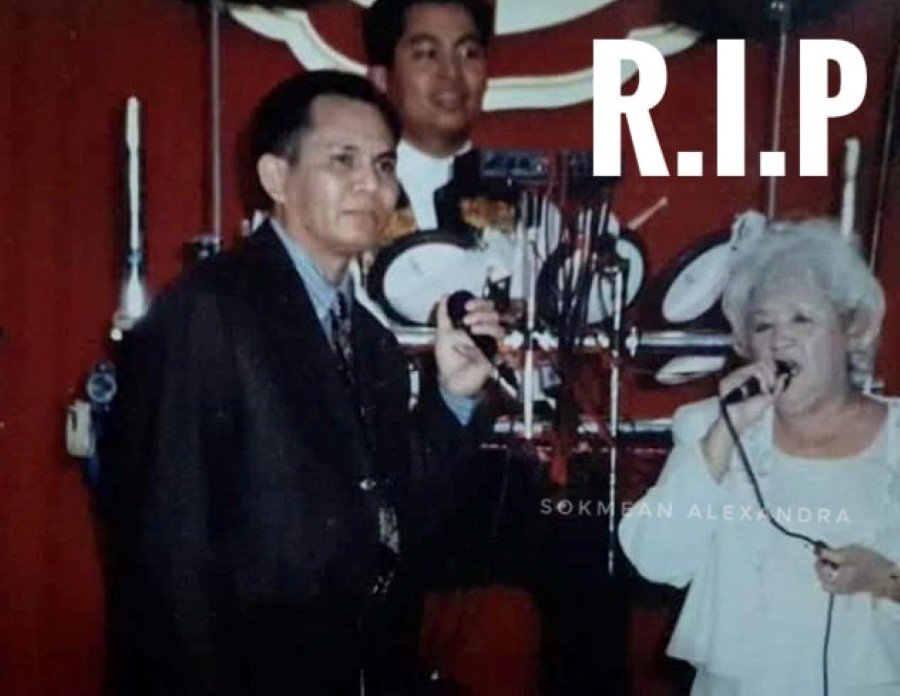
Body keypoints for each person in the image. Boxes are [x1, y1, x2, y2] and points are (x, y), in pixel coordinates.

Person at [101, 69, 505, 695]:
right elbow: (168, 554)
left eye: (384, 164)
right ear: (275, 178)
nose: (371, 184)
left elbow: (402, 524)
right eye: (343, 160)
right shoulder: (209, 312)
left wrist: (453, 395)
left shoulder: (370, 342)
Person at [619, 220, 900, 695]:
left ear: (852, 330)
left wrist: (885, 580)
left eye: (802, 319)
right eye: (763, 325)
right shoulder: (709, 427)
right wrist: (724, 434)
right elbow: (655, 559)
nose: (779, 340)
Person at [364, 0, 492, 231]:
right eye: (427, 54)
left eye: (469, 53)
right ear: (380, 79)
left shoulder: (530, 208)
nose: (451, 73)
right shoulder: (353, 197)